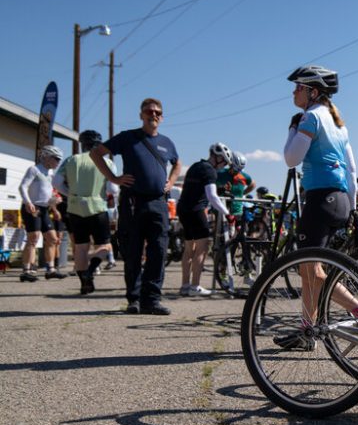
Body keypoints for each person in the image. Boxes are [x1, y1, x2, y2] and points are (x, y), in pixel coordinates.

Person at [277, 64, 358, 349]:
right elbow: (351, 169)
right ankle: (308, 330)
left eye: (298, 87)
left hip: (319, 199)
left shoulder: (311, 117)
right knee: (309, 271)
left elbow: (291, 158)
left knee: (311, 270)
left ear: (313, 92)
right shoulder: (339, 124)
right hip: (339, 200)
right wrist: (351, 206)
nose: (294, 91)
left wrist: (293, 128)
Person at [90, 97, 181, 315]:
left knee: (158, 251)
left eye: (158, 112)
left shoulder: (167, 142)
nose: (154, 115)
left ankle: (152, 299)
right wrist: (114, 178)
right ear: (141, 115)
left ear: (162, 116)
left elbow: (177, 163)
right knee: (132, 251)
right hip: (133, 202)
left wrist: (171, 181)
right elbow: (96, 153)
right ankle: (135, 299)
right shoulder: (128, 137)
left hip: (158, 202)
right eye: (149, 111)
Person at [52, 130, 114, 294]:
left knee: (80, 247)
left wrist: (69, 193)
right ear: (99, 144)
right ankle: (91, 269)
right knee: (105, 246)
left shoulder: (71, 160)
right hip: (98, 207)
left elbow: (56, 182)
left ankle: (84, 284)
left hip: (74, 207)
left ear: (82, 144)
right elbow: (113, 188)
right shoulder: (106, 162)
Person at [177, 142, 234, 297]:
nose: (223, 166)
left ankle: (185, 286)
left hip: (183, 209)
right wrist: (228, 213)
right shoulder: (210, 171)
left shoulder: (196, 166)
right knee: (202, 248)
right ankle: (195, 286)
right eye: (224, 162)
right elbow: (212, 197)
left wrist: (220, 188)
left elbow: (198, 187)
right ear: (217, 157)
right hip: (196, 211)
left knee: (189, 249)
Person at [18, 145, 66, 282]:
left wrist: (54, 203)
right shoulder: (34, 169)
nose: (58, 162)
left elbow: (47, 193)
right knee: (33, 238)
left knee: (52, 238)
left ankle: (50, 270)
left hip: (45, 209)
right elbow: (22, 186)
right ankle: (26, 271)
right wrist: (28, 202)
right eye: (56, 159)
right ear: (46, 157)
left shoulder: (50, 174)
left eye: (60, 159)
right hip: (32, 208)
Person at [217, 152, 255, 225]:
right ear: (230, 164)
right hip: (221, 208)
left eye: (238, 170)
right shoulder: (220, 172)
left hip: (237, 209)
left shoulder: (244, 176)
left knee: (237, 231)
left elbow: (253, 184)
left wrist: (243, 193)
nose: (236, 172)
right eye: (235, 169)